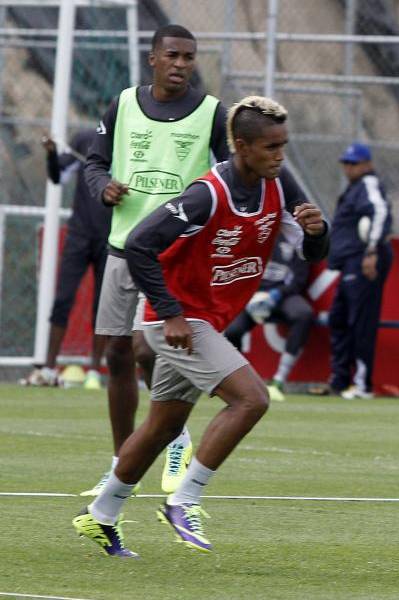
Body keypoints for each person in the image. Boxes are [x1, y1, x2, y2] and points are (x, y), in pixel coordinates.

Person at [71, 95, 329, 557]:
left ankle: (102, 515)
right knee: (252, 399)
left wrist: (316, 233)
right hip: (177, 321)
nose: (280, 156)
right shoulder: (207, 192)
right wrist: (169, 313)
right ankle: (184, 501)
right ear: (241, 145)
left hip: (205, 320)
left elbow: (312, 253)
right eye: (271, 147)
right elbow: (138, 245)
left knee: (161, 426)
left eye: (283, 146)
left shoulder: (277, 183)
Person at [81, 24, 231, 497]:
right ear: (153, 58)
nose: (181, 64)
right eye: (173, 55)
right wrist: (103, 187)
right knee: (117, 355)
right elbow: (93, 162)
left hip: (176, 251)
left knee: (151, 347)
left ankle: (171, 434)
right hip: (125, 245)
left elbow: (230, 173)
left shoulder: (210, 114)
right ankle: (120, 460)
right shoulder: (124, 103)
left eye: (189, 56)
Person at [21, 129, 109, 390]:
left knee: (102, 308)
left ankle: (94, 370)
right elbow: (58, 175)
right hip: (79, 234)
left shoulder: (132, 145)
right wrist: (50, 155)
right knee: (62, 299)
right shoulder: (84, 140)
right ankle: (48, 368)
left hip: (112, 237)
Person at [325, 142, 393, 399]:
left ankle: (362, 384)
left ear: (367, 164)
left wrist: (372, 251)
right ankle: (340, 380)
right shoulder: (354, 188)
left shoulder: (368, 184)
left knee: (362, 322)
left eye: (353, 163)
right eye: (346, 163)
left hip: (364, 259)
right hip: (351, 262)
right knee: (339, 319)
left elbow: (379, 212)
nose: (348, 168)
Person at [224, 239, 317, 402]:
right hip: (252, 295)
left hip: (283, 295)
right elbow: (237, 268)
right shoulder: (254, 232)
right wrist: (249, 293)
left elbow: (298, 278)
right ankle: (238, 384)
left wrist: (276, 296)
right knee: (232, 330)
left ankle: (279, 380)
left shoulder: (296, 236)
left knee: (303, 314)